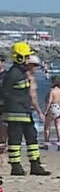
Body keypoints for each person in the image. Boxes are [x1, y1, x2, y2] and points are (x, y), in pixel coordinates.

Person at [1, 42, 50, 175]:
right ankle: (16, 167)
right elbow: (4, 93)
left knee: (32, 138)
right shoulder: (13, 74)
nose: (28, 59)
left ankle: (35, 165)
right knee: (15, 141)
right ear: (19, 57)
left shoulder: (22, 73)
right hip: (15, 112)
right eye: (26, 56)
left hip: (25, 111)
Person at [44, 75, 60, 147]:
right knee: (59, 127)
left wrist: (46, 111)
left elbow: (49, 101)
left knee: (47, 127)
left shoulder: (52, 91)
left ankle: (46, 142)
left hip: (53, 107)